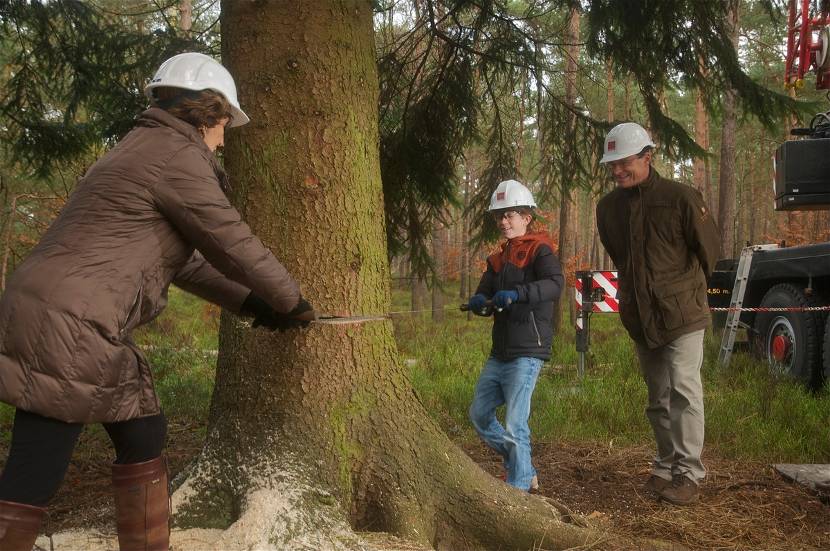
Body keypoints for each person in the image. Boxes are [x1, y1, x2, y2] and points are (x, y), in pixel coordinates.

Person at [0, 52, 316, 550]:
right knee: (38, 462)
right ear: (208, 111)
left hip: (54, 307)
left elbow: (182, 261)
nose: (225, 134)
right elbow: (230, 240)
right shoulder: (178, 156)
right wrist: (291, 300)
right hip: (73, 319)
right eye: (226, 122)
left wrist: (253, 305)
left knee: (144, 431)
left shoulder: (137, 150)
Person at [595, 122, 720, 505]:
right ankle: (666, 465)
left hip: (683, 315)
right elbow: (622, 257)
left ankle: (688, 474)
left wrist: (682, 291)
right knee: (658, 397)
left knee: (684, 390)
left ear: (648, 157)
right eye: (611, 164)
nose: (617, 171)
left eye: (624, 162)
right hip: (640, 317)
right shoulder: (608, 208)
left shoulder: (682, 197)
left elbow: (709, 253)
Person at [467, 179, 563, 493]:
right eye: (500, 216)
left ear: (526, 217)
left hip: (528, 351)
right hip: (500, 353)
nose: (504, 221)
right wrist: (480, 303)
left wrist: (518, 294)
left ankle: (519, 489)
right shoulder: (497, 259)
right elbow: (484, 294)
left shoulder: (540, 249)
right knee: (479, 415)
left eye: (510, 215)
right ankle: (525, 466)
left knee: (515, 424)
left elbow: (555, 285)